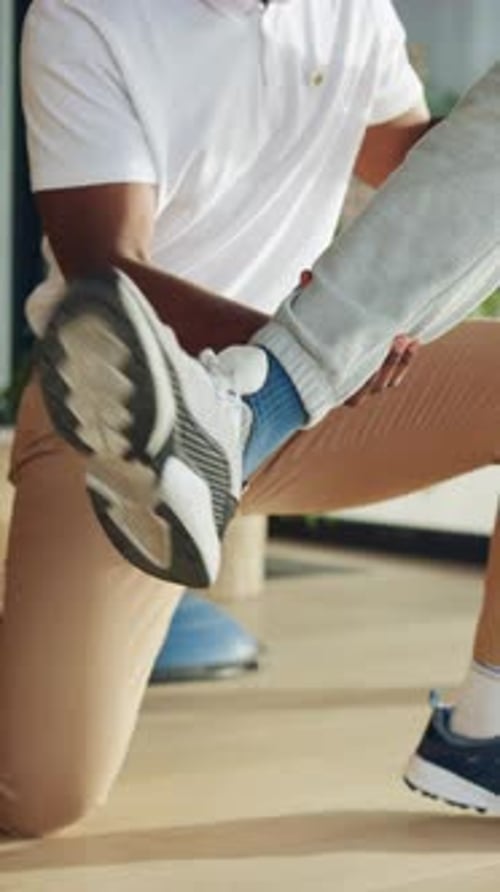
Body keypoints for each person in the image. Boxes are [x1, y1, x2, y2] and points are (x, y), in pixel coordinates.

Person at [2, 0, 500, 838]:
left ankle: (487, 729)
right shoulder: (89, 17)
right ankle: (244, 410)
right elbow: (106, 271)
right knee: (38, 792)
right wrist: (317, 347)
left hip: (311, 400)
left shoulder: (346, 10)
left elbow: (421, 181)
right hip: (122, 411)